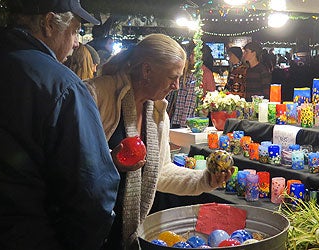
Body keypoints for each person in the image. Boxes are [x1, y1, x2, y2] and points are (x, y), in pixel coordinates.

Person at [0, 0, 120, 249]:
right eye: (75, 30)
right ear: (49, 23)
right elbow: (94, 194)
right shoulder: (62, 87)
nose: (77, 42)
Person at [86, 33, 234, 249]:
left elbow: (161, 173)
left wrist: (206, 180)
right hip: (89, 230)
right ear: (147, 71)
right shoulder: (96, 95)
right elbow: (71, 163)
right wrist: (111, 162)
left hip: (123, 233)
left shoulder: (157, 112)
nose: (176, 86)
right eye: (172, 77)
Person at [167, 42, 198, 128]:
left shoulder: (190, 77)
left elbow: (189, 104)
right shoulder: (188, 77)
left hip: (178, 121)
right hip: (178, 121)